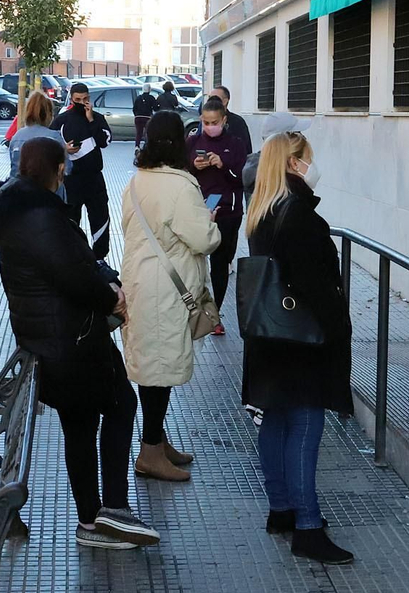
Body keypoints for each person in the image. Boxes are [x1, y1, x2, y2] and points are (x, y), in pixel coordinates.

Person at [0, 137, 159, 551]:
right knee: (118, 406)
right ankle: (108, 513)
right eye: (64, 167)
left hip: (55, 338)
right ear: (56, 170)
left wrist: (103, 278)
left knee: (81, 423)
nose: (66, 174)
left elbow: (76, 264)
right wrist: (112, 296)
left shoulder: (19, 209)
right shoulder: (40, 217)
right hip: (71, 340)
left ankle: (94, 520)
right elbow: (74, 276)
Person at [243, 128, 355, 565]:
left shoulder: (262, 210)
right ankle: (307, 526)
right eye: (307, 157)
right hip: (301, 338)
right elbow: (316, 286)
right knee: (306, 425)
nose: (313, 164)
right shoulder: (300, 217)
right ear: (294, 164)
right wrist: (337, 327)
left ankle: (281, 509)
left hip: (269, 335)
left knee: (275, 419)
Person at [120, 112, 221, 481]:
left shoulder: (137, 181)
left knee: (152, 366)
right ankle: (149, 453)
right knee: (158, 372)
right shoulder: (181, 186)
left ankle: (158, 442)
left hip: (140, 284)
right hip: (165, 290)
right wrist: (209, 221)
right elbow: (204, 240)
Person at [186, 96, 248, 335]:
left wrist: (224, 165)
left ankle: (216, 314)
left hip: (227, 211)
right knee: (196, 261)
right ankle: (195, 310)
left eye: (214, 122)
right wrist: (194, 166)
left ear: (223, 119)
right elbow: (183, 172)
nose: (210, 126)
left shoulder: (236, 143)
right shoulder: (192, 142)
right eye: (205, 121)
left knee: (221, 264)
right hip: (199, 209)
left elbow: (242, 177)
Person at [54, 82, 114, 260]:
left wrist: (91, 120)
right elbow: (48, 142)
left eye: (85, 99)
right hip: (71, 179)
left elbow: (105, 141)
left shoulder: (97, 117)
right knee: (71, 220)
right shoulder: (62, 119)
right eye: (78, 100)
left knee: (101, 217)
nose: (82, 103)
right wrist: (64, 149)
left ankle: (100, 257)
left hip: (94, 177)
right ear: (71, 99)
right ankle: (74, 256)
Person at [242, 111, 306, 200]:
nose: (302, 139)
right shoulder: (268, 174)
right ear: (280, 141)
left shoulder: (260, 167)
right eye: (297, 134)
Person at [9, 90, 60, 175]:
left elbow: (14, 166)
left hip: (19, 186)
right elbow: (66, 169)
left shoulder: (17, 137)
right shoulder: (55, 137)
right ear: (49, 114)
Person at [210, 84, 253, 157]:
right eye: (210, 98)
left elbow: (245, 150)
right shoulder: (204, 120)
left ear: (225, 101)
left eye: (215, 98)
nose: (211, 102)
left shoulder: (237, 122)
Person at [132, 84, 159, 149]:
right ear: (149, 90)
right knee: (147, 132)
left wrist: (136, 115)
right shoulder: (151, 98)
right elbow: (155, 108)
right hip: (147, 117)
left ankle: (137, 146)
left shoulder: (138, 98)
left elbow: (134, 109)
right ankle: (147, 146)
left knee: (139, 133)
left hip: (138, 118)